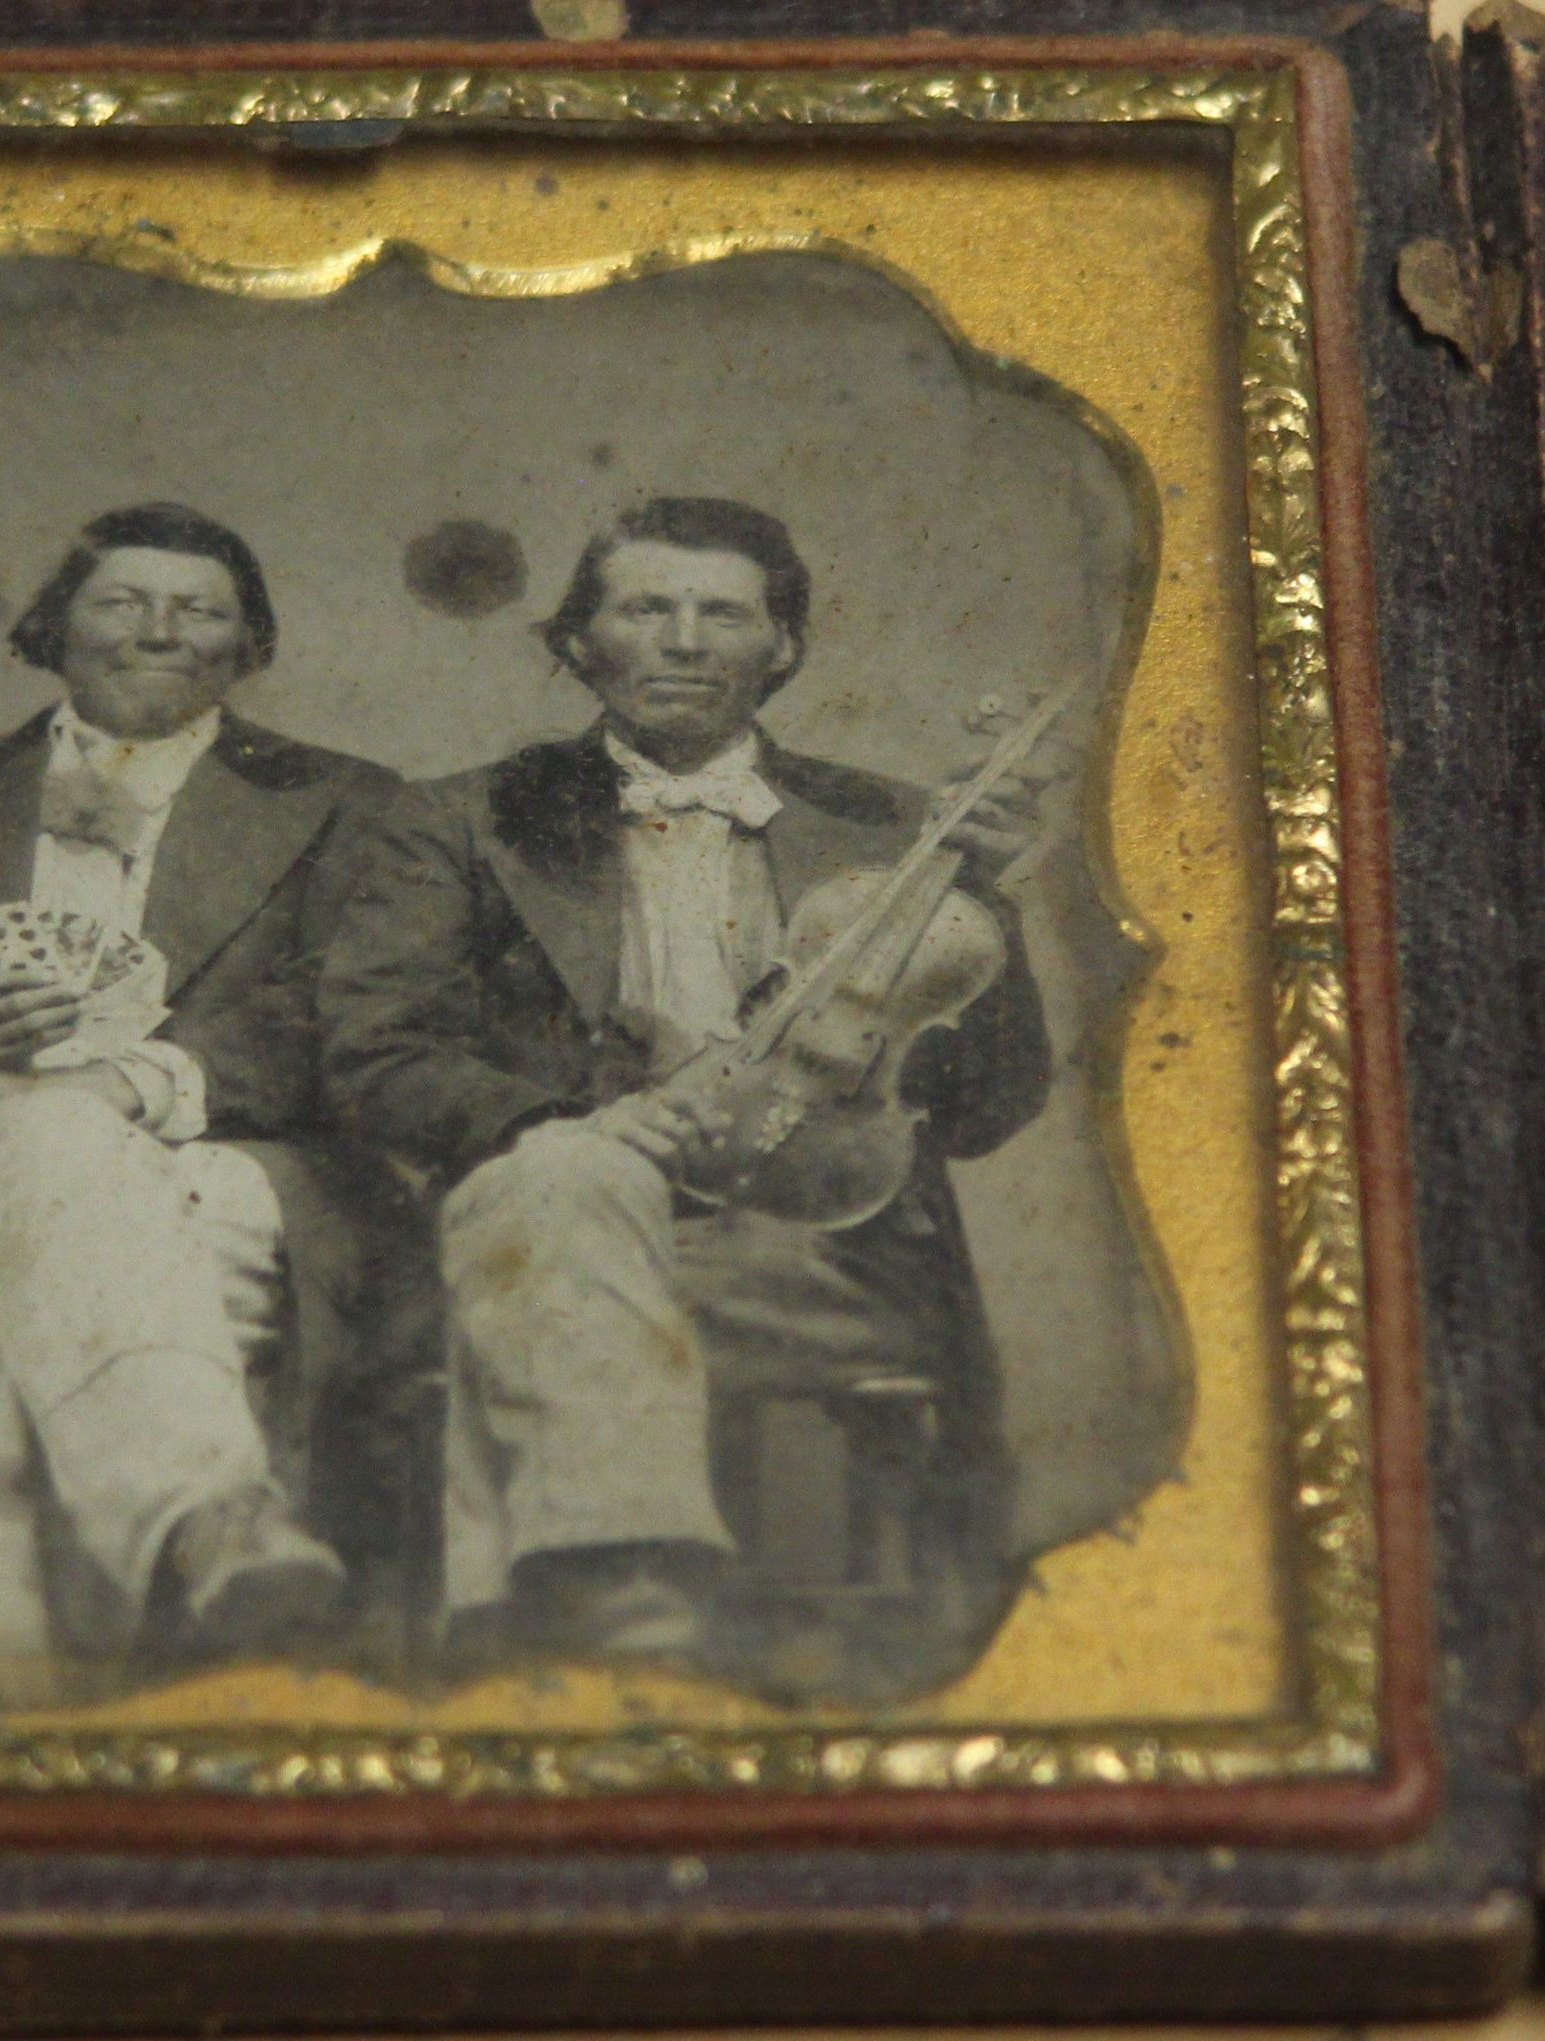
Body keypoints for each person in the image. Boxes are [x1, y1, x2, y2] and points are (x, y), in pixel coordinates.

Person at [317, 496, 1051, 1689]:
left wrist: (983, 914)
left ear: (783, 646)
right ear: (579, 640)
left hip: (818, 1231)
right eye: (647, 608)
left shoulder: (893, 827)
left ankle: (631, 1612)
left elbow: (988, 1109)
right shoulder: (457, 818)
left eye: (725, 614)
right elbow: (375, 1053)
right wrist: (574, 1123)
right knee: (568, 1173)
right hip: (543, 1202)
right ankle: (631, 1598)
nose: (686, 641)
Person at [0, 503, 395, 1708]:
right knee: (54, 1146)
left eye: (199, 609)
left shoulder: (348, 802)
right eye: (121, 601)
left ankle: (20, 1654)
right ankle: (215, 1545)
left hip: (226, 1163)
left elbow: (355, 1008)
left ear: (247, 644)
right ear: (55, 626)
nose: (158, 629)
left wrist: (136, 1081)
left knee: (60, 1258)